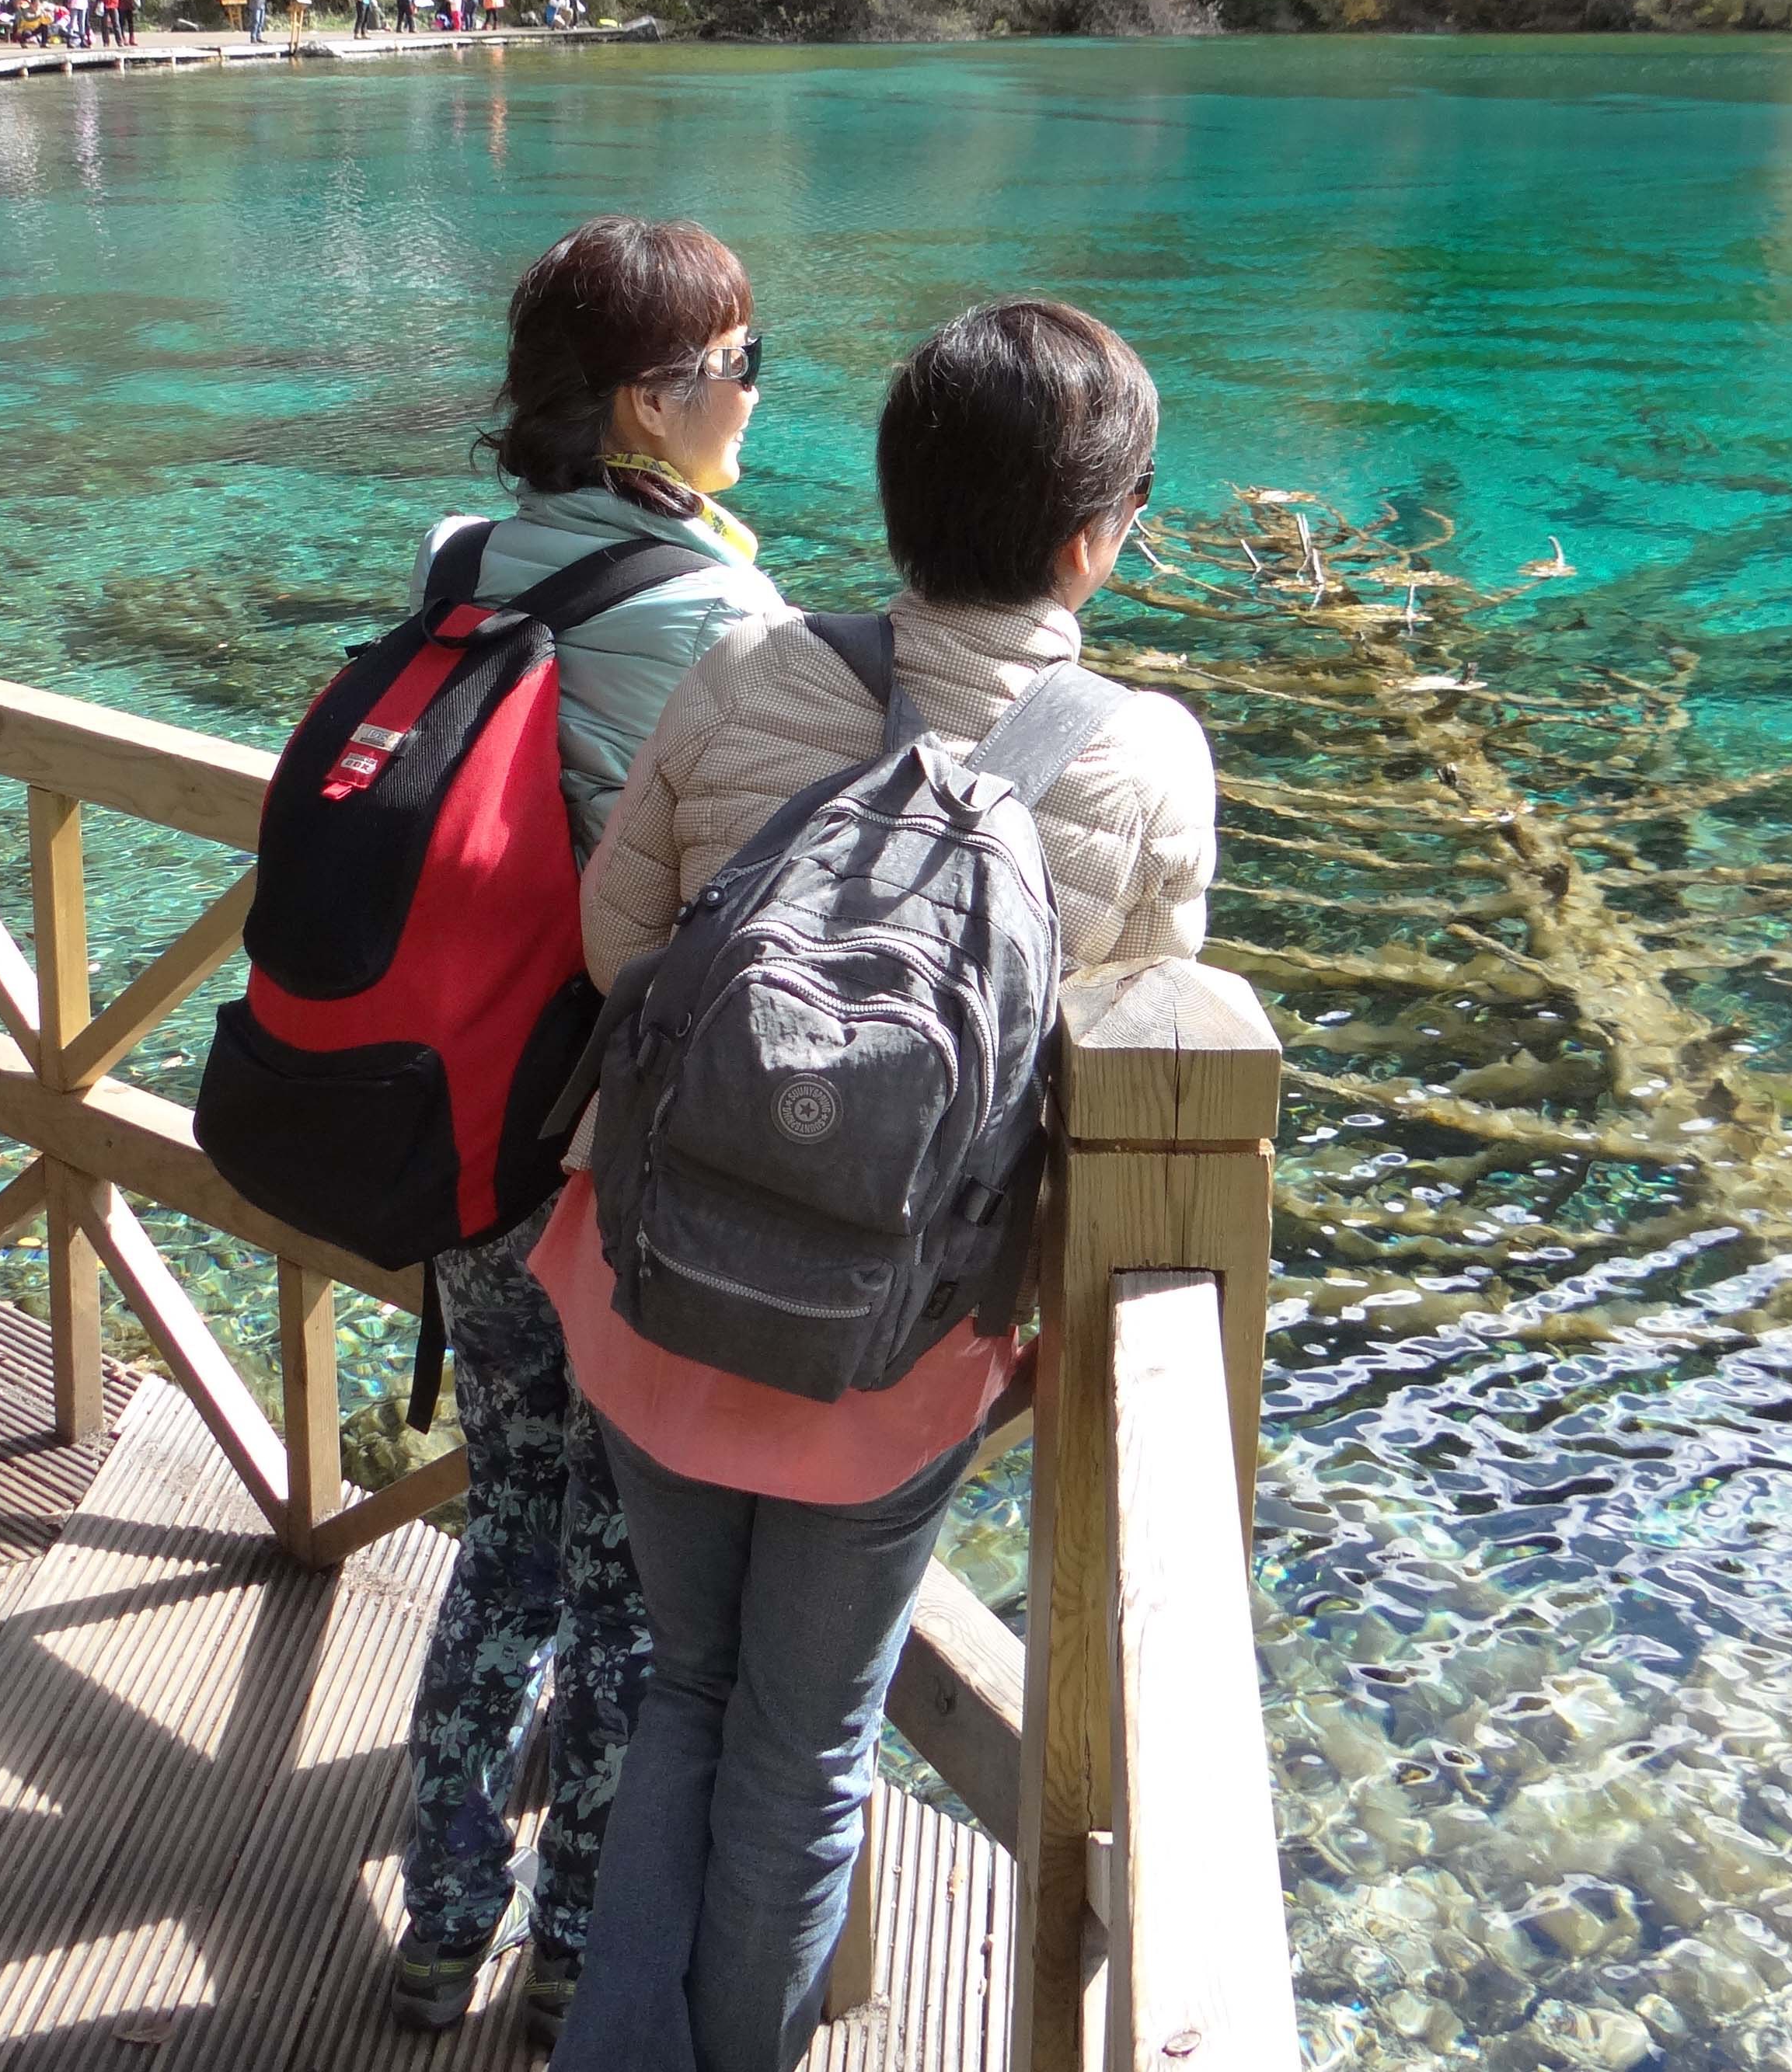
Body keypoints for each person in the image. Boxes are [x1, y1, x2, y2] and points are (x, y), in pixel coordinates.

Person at [540, 300, 1215, 2072]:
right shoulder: (1145, 763)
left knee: (689, 1689)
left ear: (899, 496)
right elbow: (1132, 1064)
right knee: (804, 1740)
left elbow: (620, 947)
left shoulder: (750, 671)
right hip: (892, 1352)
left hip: (659, 1285)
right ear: (1093, 538)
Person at [389, 218, 786, 2051]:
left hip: (470, 1122)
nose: (758, 394)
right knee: (630, 1580)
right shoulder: (721, 617)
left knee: (506, 1528)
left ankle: (438, 1920)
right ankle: (572, 1955)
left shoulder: (459, 557)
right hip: (615, 1168)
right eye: (742, 364)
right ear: (652, 402)